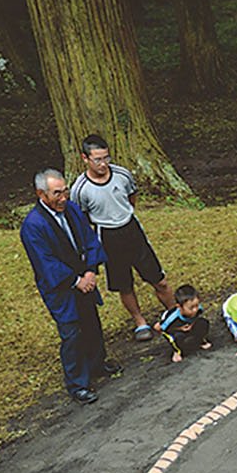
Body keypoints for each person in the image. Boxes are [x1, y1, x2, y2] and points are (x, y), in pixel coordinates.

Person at [20, 168, 118, 405]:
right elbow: (46, 264)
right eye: (57, 194)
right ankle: (78, 383)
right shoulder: (33, 226)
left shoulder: (72, 209)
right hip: (61, 287)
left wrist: (91, 270)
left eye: (65, 191)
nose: (63, 198)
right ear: (41, 194)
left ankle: (97, 364)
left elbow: (89, 238)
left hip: (84, 276)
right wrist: (77, 280)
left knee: (92, 323)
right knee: (71, 333)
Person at [70, 134, 174, 342]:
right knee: (124, 284)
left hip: (131, 230)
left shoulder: (122, 175)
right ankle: (140, 322)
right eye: (97, 159)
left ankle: (175, 312)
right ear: (85, 158)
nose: (103, 164)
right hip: (107, 236)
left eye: (106, 158)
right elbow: (81, 219)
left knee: (158, 278)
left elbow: (131, 197)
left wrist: (124, 215)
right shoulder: (80, 189)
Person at [153, 283, 211, 362]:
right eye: (191, 308)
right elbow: (158, 328)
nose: (195, 310)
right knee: (177, 337)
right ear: (179, 307)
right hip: (173, 329)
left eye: (197, 305)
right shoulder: (172, 318)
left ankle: (200, 341)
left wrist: (192, 325)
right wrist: (179, 328)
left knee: (203, 323)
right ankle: (177, 351)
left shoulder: (198, 309)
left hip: (188, 325)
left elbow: (197, 317)